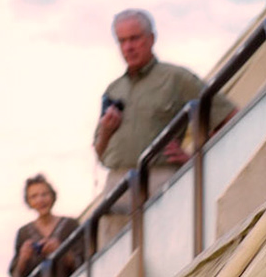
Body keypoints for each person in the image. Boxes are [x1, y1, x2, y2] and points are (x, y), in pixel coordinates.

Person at [93, 9, 235, 178]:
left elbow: (230, 117)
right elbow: (98, 152)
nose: (128, 47)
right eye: (122, 41)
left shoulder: (177, 78)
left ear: (151, 38)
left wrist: (196, 158)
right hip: (117, 181)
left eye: (134, 38)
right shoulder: (114, 89)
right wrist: (106, 131)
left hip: (161, 177)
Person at [9, 174, 81, 277]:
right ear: (28, 201)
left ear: (52, 196)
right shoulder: (23, 233)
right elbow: (17, 276)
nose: (40, 200)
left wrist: (62, 250)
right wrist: (23, 259)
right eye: (34, 196)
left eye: (44, 194)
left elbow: (85, 263)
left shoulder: (70, 225)